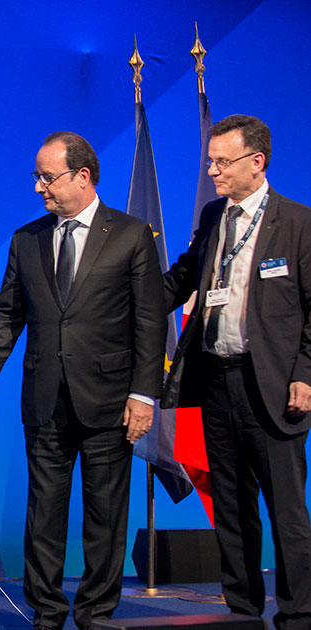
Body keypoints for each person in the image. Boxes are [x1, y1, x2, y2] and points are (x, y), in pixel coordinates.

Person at [0, 132, 165, 630]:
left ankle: (96, 614)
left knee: (105, 515)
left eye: (48, 177)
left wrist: (143, 394)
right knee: (43, 513)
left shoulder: (131, 234)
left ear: (82, 176)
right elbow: (7, 314)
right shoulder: (26, 239)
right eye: (37, 177)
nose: (38, 187)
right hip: (45, 398)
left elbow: (150, 322)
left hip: (110, 401)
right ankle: (46, 612)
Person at [163, 114, 311, 630]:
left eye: (222, 162)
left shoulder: (298, 222)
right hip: (216, 380)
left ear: (257, 162)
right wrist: (123, 295)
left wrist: (305, 374)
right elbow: (183, 277)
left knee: (286, 510)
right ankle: (243, 611)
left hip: (272, 385)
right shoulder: (213, 216)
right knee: (229, 503)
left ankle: (297, 614)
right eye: (210, 161)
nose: (213, 171)